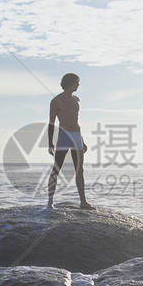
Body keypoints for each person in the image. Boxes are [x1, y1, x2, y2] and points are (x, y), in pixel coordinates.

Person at [47, 73, 95, 210]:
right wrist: (50, 142)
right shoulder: (56, 101)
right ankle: (50, 202)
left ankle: (83, 202)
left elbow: (76, 122)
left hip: (76, 136)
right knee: (57, 169)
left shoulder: (76, 100)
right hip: (63, 136)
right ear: (70, 83)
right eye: (76, 82)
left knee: (80, 170)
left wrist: (82, 141)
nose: (78, 85)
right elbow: (51, 123)